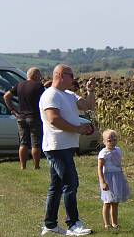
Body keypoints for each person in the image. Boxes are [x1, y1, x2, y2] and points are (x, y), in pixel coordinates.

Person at [39, 64, 96, 236]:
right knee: (71, 183)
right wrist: (78, 128)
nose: (74, 79)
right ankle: (73, 224)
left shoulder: (69, 95)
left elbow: (87, 105)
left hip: (66, 146)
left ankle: (50, 224)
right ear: (61, 75)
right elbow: (53, 119)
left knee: (56, 186)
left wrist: (90, 90)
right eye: (71, 75)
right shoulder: (50, 95)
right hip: (56, 147)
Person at [3, 67, 45, 170]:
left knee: (23, 143)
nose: (40, 77)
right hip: (34, 117)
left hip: (21, 117)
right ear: (35, 75)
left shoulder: (19, 85)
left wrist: (12, 110)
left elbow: (6, 96)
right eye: (39, 75)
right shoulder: (38, 86)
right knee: (36, 143)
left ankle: (23, 166)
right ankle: (36, 166)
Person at [98, 130, 130, 230]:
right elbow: (99, 168)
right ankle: (107, 224)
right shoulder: (103, 153)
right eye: (109, 140)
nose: (112, 141)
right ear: (104, 141)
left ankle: (114, 223)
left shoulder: (118, 150)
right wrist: (103, 182)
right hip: (108, 178)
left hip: (117, 177)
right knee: (107, 202)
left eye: (114, 139)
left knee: (115, 202)